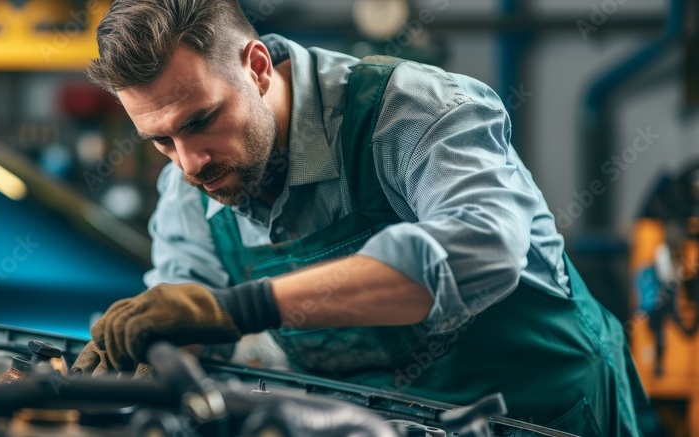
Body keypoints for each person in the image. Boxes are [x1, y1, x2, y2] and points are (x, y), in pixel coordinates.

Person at [70, 0, 647, 435]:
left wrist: (238, 309)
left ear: (257, 67)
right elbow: (190, 311)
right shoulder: (189, 189)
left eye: (200, 121)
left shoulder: (414, 112)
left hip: (548, 414)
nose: (189, 162)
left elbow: (481, 249)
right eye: (161, 141)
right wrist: (155, 349)